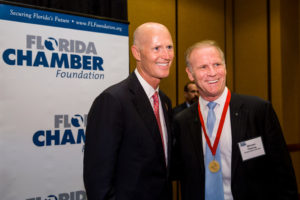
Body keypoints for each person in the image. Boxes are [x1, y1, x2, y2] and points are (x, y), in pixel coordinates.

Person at [173, 40, 298, 200]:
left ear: (225, 68)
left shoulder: (258, 111)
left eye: (217, 64)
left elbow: (283, 174)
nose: (212, 72)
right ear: (190, 74)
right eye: (203, 67)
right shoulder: (182, 121)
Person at [83, 22, 174, 200]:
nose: (166, 55)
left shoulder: (164, 101)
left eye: (169, 47)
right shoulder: (113, 101)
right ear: (136, 53)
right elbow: (98, 183)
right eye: (156, 48)